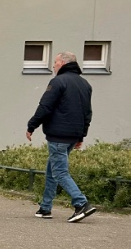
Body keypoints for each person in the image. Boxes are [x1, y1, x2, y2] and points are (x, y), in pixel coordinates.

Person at [26, 52, 96, 221]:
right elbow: (87, 113)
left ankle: (81, 203)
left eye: (56, 62)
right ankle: (45, 208)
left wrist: (32, 125)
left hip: (58, 135)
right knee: (52, 170)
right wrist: (81, 136)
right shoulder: (85, 84)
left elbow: (45, 106)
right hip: (73, 136)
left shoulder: (58, 82)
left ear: (63, 63)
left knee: (59, 172)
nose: (54, 65)